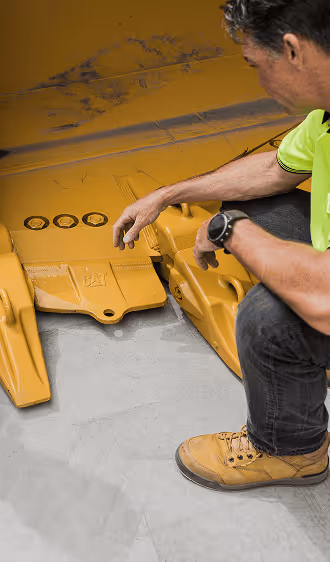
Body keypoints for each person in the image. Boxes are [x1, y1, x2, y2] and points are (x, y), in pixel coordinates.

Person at [113, 0, 330, 491]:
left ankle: (292, 449)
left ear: (293, 51)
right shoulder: (326, 118)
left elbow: (326, 298)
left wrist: (229, 229)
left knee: (268, 322)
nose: (259, 83)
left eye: (256, 64)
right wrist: (170, 194)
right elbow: (277, 168)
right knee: (248, 203)